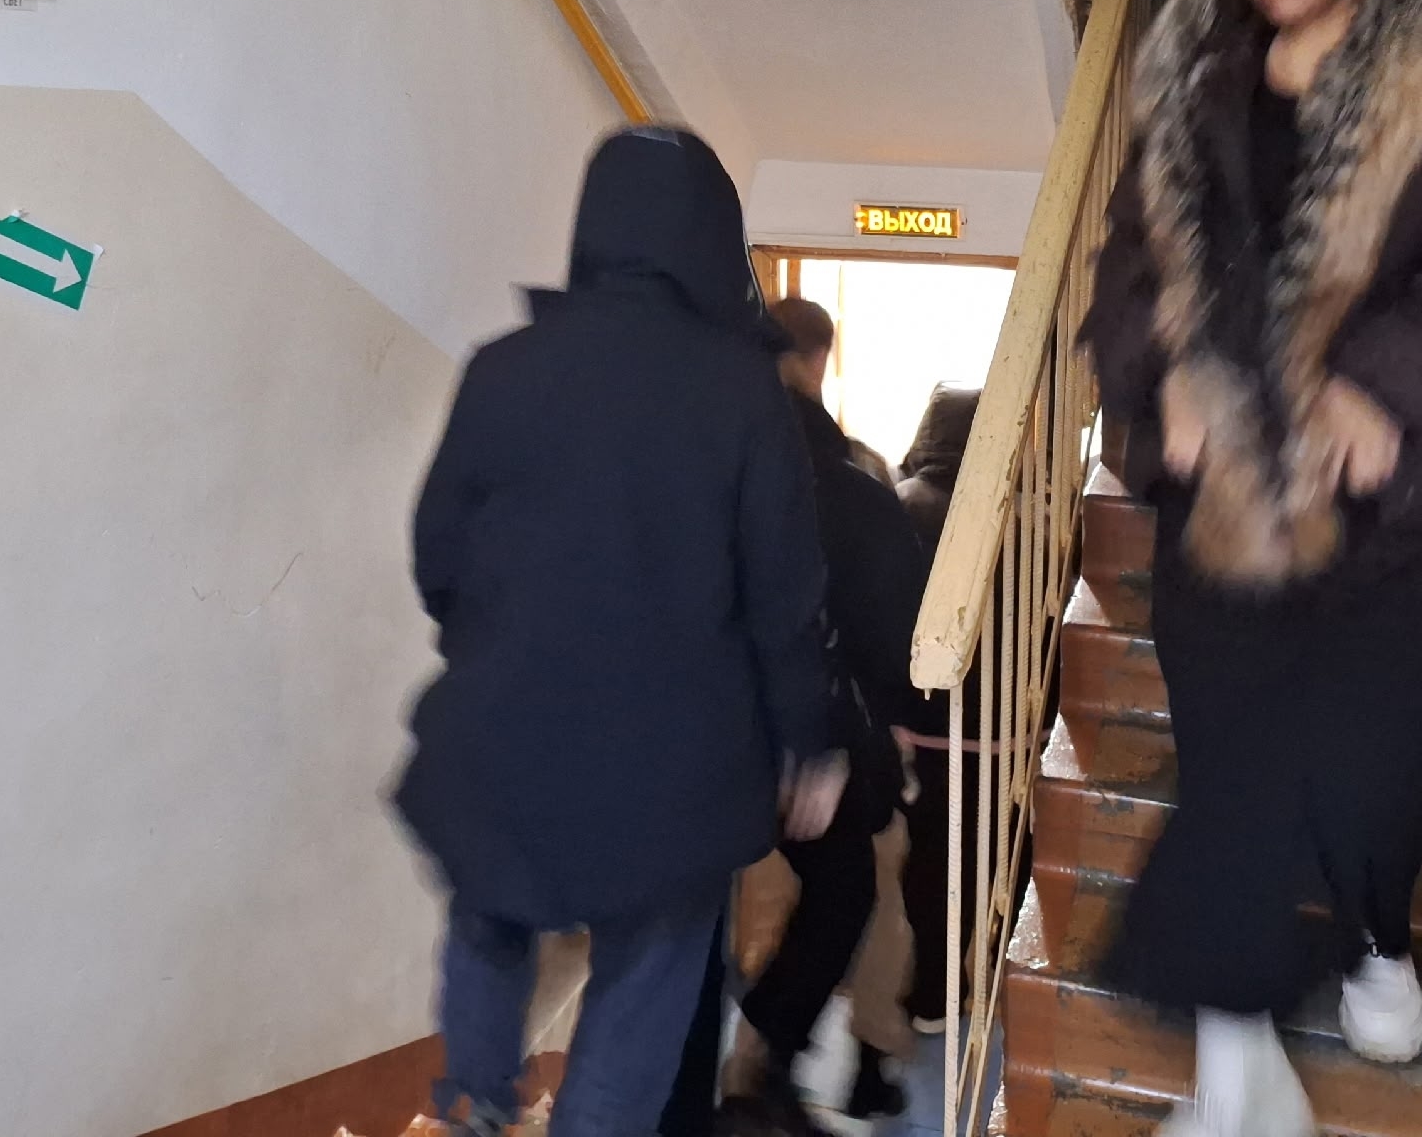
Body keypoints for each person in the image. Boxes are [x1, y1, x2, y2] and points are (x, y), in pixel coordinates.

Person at [1077, 0, 1422, 1137]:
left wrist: (1378, 386)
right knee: (1228, 766)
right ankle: (1238, 1068)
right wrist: (1161, 377)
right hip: (1229, 502)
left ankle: (1375, 936)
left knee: (1374, 765)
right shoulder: (1199, 72)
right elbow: (1129, 264)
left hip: (1403, 516)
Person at [396, 127, 846, 1137]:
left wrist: (493, 647)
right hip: (673, 767)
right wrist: (809, 743)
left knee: (488, 917)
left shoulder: (502, 368)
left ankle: (473, 1107)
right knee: (644, 984)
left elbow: (436, 552)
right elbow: (783, 594)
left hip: (502, 734)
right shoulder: (741, 393)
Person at [715, 298, 932, 1133]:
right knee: (854, 889)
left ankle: (729, 1069)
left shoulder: (712, 467)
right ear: (818, 362)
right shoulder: (854, 487)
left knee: (694, 914)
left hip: (710, 733)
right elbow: (892, 633)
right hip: (824, 741)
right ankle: (782, 1063)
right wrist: (880, 727)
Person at [891, 382, 982, 1035]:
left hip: (916, 720)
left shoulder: (900, 505)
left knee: (923, 859)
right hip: (996, 729)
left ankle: (929, 992)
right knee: (980, 857)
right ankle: (963, 981)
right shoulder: (1016, 514)